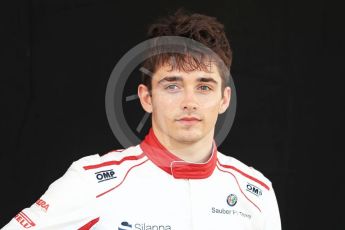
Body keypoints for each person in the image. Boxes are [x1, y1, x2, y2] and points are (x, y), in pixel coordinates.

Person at [2, 9, 281, 230]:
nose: (189, 102)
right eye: (172, 85)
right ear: (146, 98)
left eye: (204, 86)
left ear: (224, 99)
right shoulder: (94, 182)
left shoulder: (255, 194)